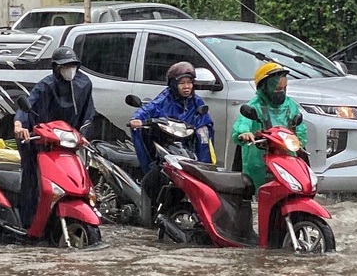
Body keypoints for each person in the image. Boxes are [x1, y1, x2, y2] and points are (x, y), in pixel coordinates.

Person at [13, 46, 96, 229]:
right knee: (32, 176)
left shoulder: (84, 84)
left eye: (73, 65)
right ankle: (27, 221)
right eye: (65, 66)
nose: (69, 70)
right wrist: (19, 125)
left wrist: (84, 134)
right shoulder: (46, 86)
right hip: (40, 140)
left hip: (68, 141)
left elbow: (89, 114)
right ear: (56, 68)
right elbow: (27, 106)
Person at [232, 61, 308, 193]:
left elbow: (299, 126)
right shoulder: (254, 106)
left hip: (286, 154)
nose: (280, 88)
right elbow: (242, 122)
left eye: (282, 84)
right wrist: (244, 133)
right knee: (254, 194)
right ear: (264, 86)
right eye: (275, 84)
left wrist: (299, 139)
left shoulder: (290, 105)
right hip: (259, 156)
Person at [128, 61, 215, 174]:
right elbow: (149, 108)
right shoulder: (165, 98)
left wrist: (200, 128)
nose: (186, 86)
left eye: (189, 82)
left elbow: (205, 119)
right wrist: (137, 119)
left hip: (187, 144)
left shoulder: (196, 101)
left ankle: (203, 171)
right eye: (182, 83)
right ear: (174, 84)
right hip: (167, 141)